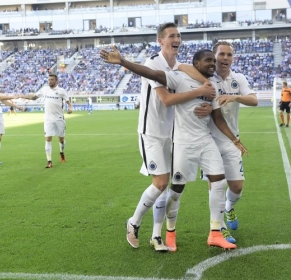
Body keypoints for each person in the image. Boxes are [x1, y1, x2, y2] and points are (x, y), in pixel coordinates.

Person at [101, 47, 245, 250]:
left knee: (219, 183)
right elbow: (152, 73)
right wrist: (123, 61)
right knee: (175, 192)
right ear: (197, 64)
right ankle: (170, 233)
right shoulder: (179, 78)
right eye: (208, 60)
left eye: (214, 60)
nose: (213, 63)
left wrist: (234, 139)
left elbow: (218, 118)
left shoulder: (212, 85)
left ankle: (215, 233)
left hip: (205, 141)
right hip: (183, 143)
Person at [178, 41, 258, 244]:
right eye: (221, 54)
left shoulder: (237, 78)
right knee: (215, 185)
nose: (225, 58)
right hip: (209, 140)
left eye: (229, 55)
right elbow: (181, 66)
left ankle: (229, 208)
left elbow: (254, 100)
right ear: (214, 57)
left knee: (237, 187)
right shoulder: (206, 76)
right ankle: (219, 227)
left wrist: (234, 97)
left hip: (231, 139)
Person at [22, 74, 73, 168]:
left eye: (52, 80)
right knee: (48, 139)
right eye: (49, 79)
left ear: (56, 81)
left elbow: (68, 102)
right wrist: (23, 96)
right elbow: (34, 97)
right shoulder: (45, 89)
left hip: (59, 118)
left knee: (61, 139)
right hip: (48, 119)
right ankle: (49, 161)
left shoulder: (61, 91)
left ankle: (61, 152)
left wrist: (70, 108)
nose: (50, 81)